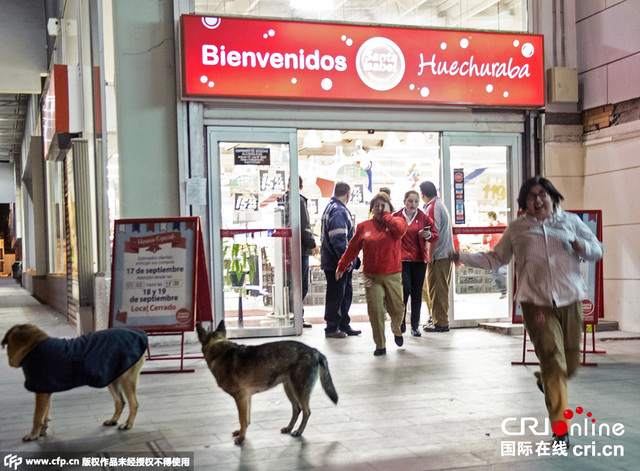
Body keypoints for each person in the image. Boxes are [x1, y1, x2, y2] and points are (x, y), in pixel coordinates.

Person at [450, 176, 603, 447]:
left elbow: (597, 251)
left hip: (570, 299)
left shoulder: (570, 222)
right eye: (531, 196)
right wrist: (461, 257)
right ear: (524, 203)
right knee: (554, 360)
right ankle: (560, 429)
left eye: (542, 194)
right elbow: (496, 259)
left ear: (552, 196)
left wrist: (582, 247)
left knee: (570, 363)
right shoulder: (517, 229)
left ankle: (545, 380)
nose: (537, 200)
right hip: (536, 303)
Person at [336, 192, 407, 356]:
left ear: (390, 208)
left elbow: (400, 231)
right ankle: (380, 345)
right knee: (375, 310)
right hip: (371, 277)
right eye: (377, 206)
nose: (380, 209)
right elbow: (352, 248)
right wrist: (342, 265)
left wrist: (387, 216)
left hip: (393, 275)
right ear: (372, 209)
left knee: (397, 308)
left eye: (384, 205)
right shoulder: (364, 226)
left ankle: (397, 328)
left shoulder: (398, 223)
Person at [392, 190, 439, 337]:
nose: (413, 204)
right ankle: (400, 321)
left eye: (416, 202)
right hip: (401, 260)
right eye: (410, 201)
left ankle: (414, 326)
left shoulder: (424, 218)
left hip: (419, 260)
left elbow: (435, 235)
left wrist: (429, 235)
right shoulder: (396, 217)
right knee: (405, 289)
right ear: (404, 201)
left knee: (417, 293)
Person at [320, 182, 362, 338]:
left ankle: (343, 325)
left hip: (331, 261)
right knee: (337, 295)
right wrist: (345, 262)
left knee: (342, 295)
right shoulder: (338, 211)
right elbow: (339, 238)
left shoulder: (330, 207)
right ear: (348, 194)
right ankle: (332, 328)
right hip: (336, 263)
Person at [279, 177, 319, 328]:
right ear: (301, 186)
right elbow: (304, 226)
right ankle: (297, 317)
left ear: (288, 185)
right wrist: (313, 244)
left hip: (285, 249)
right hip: (300, 250)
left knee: (289, 284)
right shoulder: (299, 201)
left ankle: (291, 315)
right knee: (301, 285)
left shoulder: (282, 201)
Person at [419, 181, 455, 333]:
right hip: (445, 254)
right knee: (438, 289)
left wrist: (430, 255)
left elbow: (434, 234)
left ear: (422, 194)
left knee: (437, 290)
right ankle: (438, 319)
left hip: (439, 256)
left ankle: (440, 323)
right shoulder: (439, 205)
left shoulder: (433, 208)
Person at [483, 211, 507, 299]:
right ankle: (503, 292)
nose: (487, 220)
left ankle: (505, 290)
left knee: (502, 272)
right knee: (495, 275)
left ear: (492, 218)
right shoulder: (488, 228)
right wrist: (487, 239)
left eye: (488, 218)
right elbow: (484, 241)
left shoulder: (502, 225)